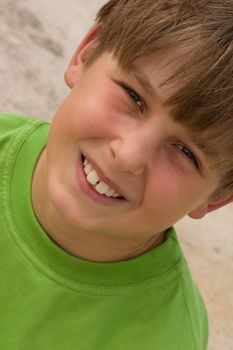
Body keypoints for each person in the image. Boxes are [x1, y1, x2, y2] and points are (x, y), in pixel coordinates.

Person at [1, 0, 233, 349]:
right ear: (86, 53)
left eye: (187, 152)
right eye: (134, 97)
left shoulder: (166, 339)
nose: (128, 156)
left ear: (215, 199)